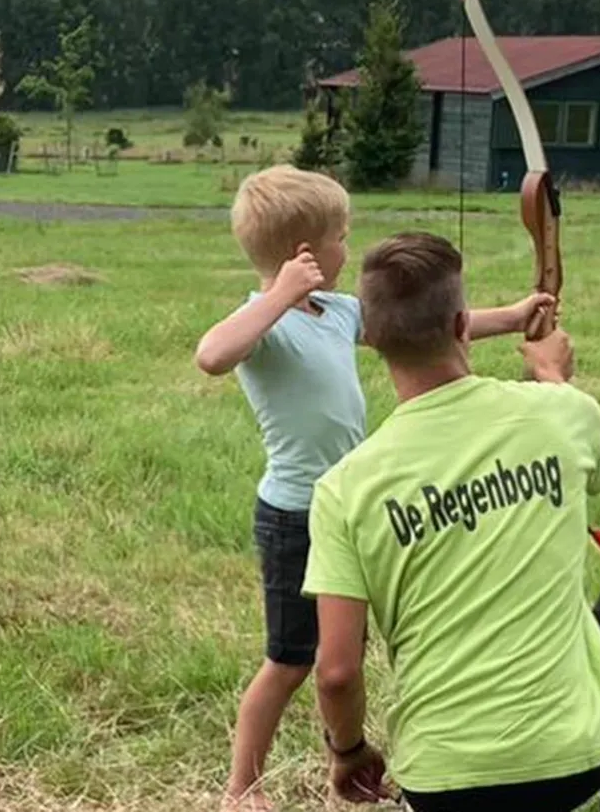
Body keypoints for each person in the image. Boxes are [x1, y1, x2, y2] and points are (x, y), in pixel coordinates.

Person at [194, 167, 557, 811]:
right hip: (295, 516)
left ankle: (346, 744)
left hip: (350, 511)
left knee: (345, 650)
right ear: (302, 255)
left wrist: (516, 314)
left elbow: (422, 325)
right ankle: (239, 788)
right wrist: (279, 295)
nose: (346, 248)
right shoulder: (267, 319)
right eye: (339, 236)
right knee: (289, 659)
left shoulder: (334, 312)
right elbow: (214, 355)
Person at [302, 231, 600, 812]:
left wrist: (349, 751)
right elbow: (597, 463)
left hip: (441, 785)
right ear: (463, 325)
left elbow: (335, 671)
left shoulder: (343, 488)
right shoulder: (561, 413)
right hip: (576, 763)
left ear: (373, 340)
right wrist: (554, 376)